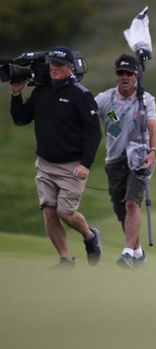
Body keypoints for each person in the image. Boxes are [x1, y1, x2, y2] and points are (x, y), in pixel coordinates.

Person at [9, 45, 102, 268]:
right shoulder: (42, 90)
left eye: (60, 65)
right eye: (52, 64)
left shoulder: (81, 95)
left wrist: (86, 164)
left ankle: (90, 235)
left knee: (65, 213)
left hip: (72, 166)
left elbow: (93, 132)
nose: (55, 68)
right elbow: (21, 119)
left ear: (70, 68)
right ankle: (65, 258)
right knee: (49, 211)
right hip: (45, 164)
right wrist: (16, 94)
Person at [95, 54, 156, 269]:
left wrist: (152, 151)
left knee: (132, 202)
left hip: (139, 157)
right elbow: (85, 116)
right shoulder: (105, 99)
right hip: (114, 160)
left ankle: (127, 253)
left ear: (137, 76)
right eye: (120, 73)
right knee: (121, 210)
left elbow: (153, 126)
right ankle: (138, 253)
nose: (124, 77)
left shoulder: (146, 99)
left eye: (129, 74)